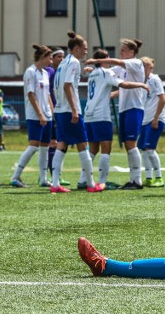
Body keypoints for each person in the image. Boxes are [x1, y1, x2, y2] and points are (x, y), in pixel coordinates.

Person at [84, 50, 149, 190]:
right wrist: (141, 84)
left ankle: (83, 180)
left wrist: (92, 66)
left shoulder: (93, 74)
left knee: (92, 149)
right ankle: (102, 182)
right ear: (103, 60)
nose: (110, 59)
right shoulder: (107, 73)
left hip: (88, 114)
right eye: (107, 58)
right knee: (106, 149)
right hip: (101, 115)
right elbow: (123, 84)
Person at [51, 31, 104, 193]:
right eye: (84, 48)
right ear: (76, 48)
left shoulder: (63, 63)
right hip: (69, 111)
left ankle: (54, 184)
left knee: (61, 145)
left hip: (60, 110)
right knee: (83, 145)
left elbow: (55, 87)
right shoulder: (73, 62)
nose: (86, 51)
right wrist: (74, 110)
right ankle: (90, 184)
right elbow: (67, 86)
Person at [10, 45, 54, 188]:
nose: (51, 61)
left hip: (47, 116)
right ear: (43, 57)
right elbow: (31, 94)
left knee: (45, 147)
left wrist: (51, 113)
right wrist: (40, 114)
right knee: (34, 146)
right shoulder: (30, 72)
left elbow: (47, 95)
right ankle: (15, 177)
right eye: (50, 57)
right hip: (35, 116)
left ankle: (43, 179)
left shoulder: (46, 73)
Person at [138, 57, 165, 188]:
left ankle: (159, 177)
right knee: (143, 149)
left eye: (147, 66)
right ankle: (148, 177)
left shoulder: (154, 79)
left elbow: (163, 98)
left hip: (155, 119)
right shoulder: (140, 81)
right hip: (144, 120)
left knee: (150, 149)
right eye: (142, 66)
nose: (145, 68)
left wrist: (156, 118)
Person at [45, 48, 69, 186]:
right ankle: (52, 176)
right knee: (54, 143)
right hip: (53, 111)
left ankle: (54, 175)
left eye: (63, 56)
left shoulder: (59, 72)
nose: (61, 59)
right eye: (58, 56)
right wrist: (52, 109)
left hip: (58, 110)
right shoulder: (50, 71)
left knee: (58, 143)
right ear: (52, 59)